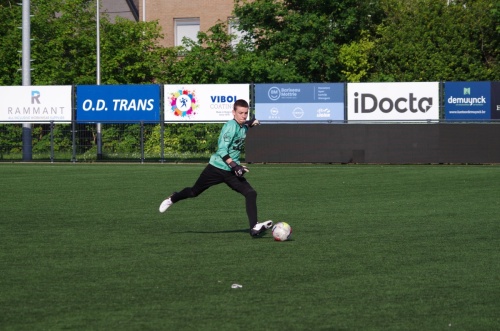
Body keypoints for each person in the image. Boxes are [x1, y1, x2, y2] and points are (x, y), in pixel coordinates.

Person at [159, 99, 273, 237]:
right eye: (240, 113)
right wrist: (235, 166)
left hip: (231, 172)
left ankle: (254, 227)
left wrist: (251, 123)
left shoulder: (243, 126)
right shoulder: (229, 127)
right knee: (194, 192)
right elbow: (222, 150)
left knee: (250, 193)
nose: (243, 116)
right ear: (233, 113)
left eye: (246, 113)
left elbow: (245, 124)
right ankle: (173, 198)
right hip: (216, 168)